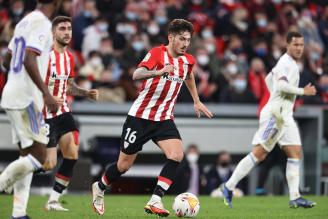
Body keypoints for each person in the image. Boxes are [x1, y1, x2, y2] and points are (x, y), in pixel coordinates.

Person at [91, 19, 213, 217]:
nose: (185, 43)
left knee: (176, 155)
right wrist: (159, 71)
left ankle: (155, 199)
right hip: (140, 117)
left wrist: (196, 100)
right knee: (123, 166)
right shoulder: (157, 53)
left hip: (164, 118)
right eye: (181, 39)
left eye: (188, 40)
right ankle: (99, 186)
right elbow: (136, 74)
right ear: (170, 37)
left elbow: (189, 75)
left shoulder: (188, 60)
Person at [221, 31, 317, 209]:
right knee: (260, 153)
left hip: (285, 115)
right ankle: (228, 186)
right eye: (295, 44)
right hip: (275, 115)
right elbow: (280, 84)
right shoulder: (285, 63)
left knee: (295, 152)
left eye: (301, 45)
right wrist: (303, 91)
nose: (299, 48)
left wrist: (275, 94)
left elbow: (268, 79)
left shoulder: (288, 64)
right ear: (287, 45)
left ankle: (295, 196)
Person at [0, 1, 62, 218]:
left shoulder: (23, 21)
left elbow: (8, 59)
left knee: (26, 155)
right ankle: (2, 183)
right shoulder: (43, 23)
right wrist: (46, 93)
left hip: (11, 93)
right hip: (27, 98)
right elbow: (28, 57)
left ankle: (18, 214)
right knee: (40, 156)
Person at [40, 16, 98, 211]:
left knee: (72, 155)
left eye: (69, 29)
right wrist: (48, 97)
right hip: (45, 113)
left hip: (63, 112)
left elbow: (69, 86)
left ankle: (53, 200)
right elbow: (32, 83)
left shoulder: (69, 57)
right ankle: (12, 177)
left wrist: (85, 93)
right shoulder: (44, 57)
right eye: (62, 28)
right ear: (53, 33)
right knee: (49, 164)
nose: (67, 32)